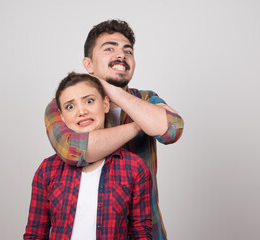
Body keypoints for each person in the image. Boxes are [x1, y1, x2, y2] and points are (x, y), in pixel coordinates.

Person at [45, 20, 184, 240]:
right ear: (88, 64)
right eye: (109, 48)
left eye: (127, 51)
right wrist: (142, 123)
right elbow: (74, 150)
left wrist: (113, 91)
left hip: (146, 232)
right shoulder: (65, 104)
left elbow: (172, 131)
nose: (121, 55)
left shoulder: (146, 98)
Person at [24, 73, 152, 240]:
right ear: (62, 117)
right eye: (70, 106)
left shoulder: (134, 168)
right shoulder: (47, 170)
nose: (82, 111)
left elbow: (140, 233)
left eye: (89, 101)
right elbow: (35, 234)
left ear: (106, 104)